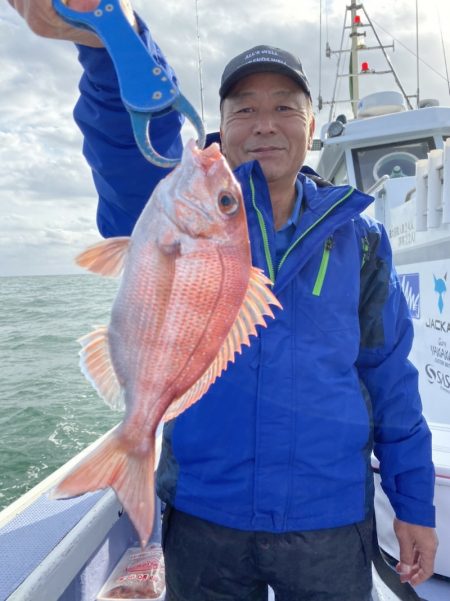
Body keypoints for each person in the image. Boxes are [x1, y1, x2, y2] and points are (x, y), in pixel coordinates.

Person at [8, 1, 438, 600]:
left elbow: (391, 380)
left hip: (331, 522)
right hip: (205, 518)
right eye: (245, 110)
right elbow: (129, 137)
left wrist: (414, 502)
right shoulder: (181, 203)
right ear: (222, 126)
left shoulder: (362, 240)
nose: (265, 123)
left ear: (312, 126)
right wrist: (113, 44)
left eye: (285, 107)